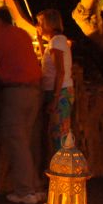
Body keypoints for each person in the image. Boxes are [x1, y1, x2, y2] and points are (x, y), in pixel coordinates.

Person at [0, 7, 44, 204]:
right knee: (26, 140)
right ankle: (34, 186)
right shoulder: (23, 33)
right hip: (35, 91)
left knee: (16, 140)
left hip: (15, 91)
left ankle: (25, 192)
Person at [37, 9, 74, 155]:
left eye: (40, 23)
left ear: (49, 24)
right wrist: (40, 41)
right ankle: (60, 172)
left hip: (60, 92)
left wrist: (55, 98)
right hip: (59, 92)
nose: (38, 26)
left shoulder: (57, 42)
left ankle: (63, 173)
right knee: (57, 135)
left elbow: (60, 71)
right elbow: (47, 63)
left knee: (59, 136)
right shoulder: (55, 42)